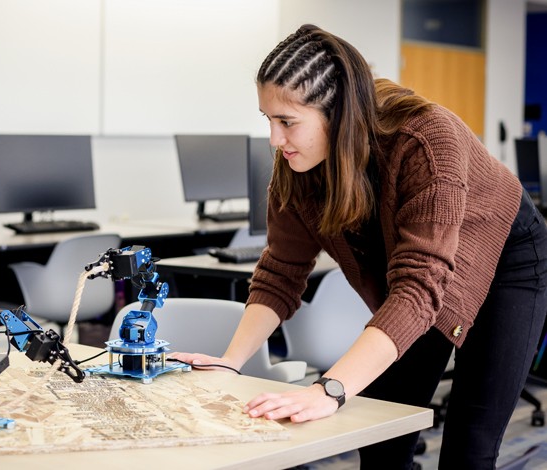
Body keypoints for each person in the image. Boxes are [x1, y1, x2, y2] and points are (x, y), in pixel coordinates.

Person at [172, 24, 547, 469]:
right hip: (421, 274)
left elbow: (416, 289)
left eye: (287, 122)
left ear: (337, 113)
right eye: (268, 119)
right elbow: (280, 272)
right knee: (380, 441)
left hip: (508, 261)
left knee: (469, 447)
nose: (274, 139)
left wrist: (330, 388)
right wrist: (230, 362)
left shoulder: (426, 141)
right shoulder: (297, 167)